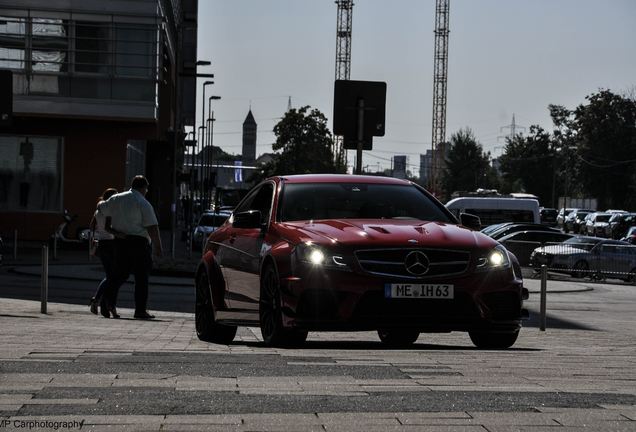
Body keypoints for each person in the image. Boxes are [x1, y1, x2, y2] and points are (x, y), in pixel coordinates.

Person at [98, 175, 163, 319]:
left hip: (120, 242)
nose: (146, 191)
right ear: (143, 187)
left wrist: (115, 231)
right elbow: (152, 227)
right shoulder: (143, 203)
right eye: (146, 188)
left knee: (119, 275)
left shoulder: (116, 198)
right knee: (141, 278)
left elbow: (100, 208)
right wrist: (158, 247)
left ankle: (105, 302)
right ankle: (140, 311)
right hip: (139, 243)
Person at [88, 188, 119, 318]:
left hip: (101, 244)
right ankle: (103, 303)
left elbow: (91, 226)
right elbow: (109, 228)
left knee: (111, 276)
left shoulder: (98, 210)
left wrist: (98, 234)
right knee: (113, 277)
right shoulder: (109, 210)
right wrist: (121, 234)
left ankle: (104, 304)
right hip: (110, 244)